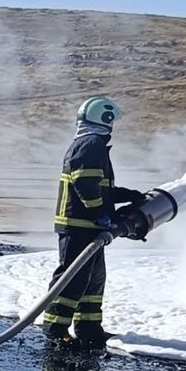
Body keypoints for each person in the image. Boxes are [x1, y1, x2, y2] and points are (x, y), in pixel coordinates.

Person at [43, 96, 144, 348]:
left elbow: (100, 187)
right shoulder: (90, 144)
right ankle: (55, 327)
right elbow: (85, 184)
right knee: (72, 276)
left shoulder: (92, 144)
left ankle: (89, 328)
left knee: (94, 278)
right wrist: (101, 213)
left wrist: (127, 196)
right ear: (105, 118)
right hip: (78, 225)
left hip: (90, 227)